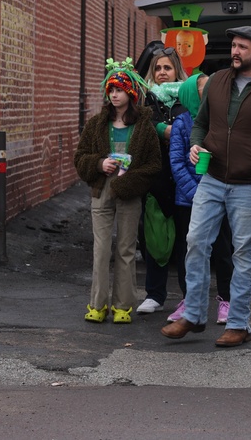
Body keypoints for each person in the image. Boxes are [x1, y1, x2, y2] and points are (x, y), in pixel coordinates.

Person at [161, 26, 251, 348]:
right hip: (213, 177)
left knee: (244, 253)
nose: (235, 51)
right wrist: (195, 144)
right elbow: (201, 124)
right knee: (195, 241)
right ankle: (193, 314)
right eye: (234, 46)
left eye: (243, 47)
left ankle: (238, 323)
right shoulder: (217, 81)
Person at [74, 59, 162, 323]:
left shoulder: (144, 126)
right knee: (101, 250)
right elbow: (80, 158)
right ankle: (97, 305)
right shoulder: (96, 124)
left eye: (120, 89)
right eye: (111, 89)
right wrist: (99, 163)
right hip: (102, 189)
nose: (114, 94)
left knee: (125, 249)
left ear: (131, 93)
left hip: (129, 191)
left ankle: (123, 306)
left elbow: (154, 164)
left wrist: (129, 181)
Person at [167, 74, 235, 325]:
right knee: (187, 252)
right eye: (205, 90)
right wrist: (198, 195)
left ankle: (226, 299)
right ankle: (189, 299)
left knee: (223, 250)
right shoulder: (182, 123)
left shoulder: (222, 121)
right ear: (192, 95)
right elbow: (176, 162)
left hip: (219, 197)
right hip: (188, 200)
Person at [136, 47, 188, 314]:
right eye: (158, 68)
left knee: (185, 241)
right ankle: (154, 294)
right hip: (155, 179)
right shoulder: (145, 101)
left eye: (167, 68)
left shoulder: (188, 98)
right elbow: (141, 128)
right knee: (154, 237)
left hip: (184, 181)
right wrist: (161, 129)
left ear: (176, 70)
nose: (162, 73)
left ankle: (188, 296)